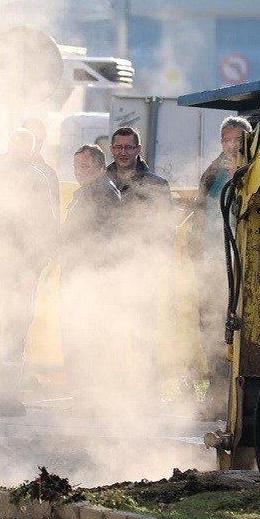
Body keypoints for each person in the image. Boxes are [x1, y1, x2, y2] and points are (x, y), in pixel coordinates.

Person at [0, 128, 57, 415]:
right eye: (16, 144)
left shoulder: (38, 179)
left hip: (21, 269)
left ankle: (6, 395)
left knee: (15, 332)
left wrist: (38, 261)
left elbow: (47, 224)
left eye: (26, 146)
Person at [105, 126, 172, 405]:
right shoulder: (100, 183)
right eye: (119, 147)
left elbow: (166, 230)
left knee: (143, 333)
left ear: (138, 149)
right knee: (110, 333)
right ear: (112, 149)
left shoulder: (156, 185)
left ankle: (146, 395)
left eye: (129, 147)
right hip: (107, 271)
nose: (123, 153)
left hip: (143, 270)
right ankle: (113, 393)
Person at [191, 116, 251, 419]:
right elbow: (200, 216)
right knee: (211, 331)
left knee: (237, 332)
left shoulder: (255, 172)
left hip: (242, 265)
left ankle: (236, 400)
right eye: (227, 140)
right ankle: (214, 398)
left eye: (237, 140)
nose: (231, 146)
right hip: (211, 262)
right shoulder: (212, 174)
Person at [58, 144, 121, 401]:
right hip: (77, 274)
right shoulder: (85, 193)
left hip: (92, 277)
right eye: (76, 166)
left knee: (89, 337)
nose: (79, 172)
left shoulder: (103, 192)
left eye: (84, 166)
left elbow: (105, 237)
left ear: (98, 166)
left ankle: (91, 395)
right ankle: (84, 394)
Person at [22, 117, 61, 218]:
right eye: (31, 139)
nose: (35, 145)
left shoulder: (49, 174)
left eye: (39, 140)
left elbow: (54, 215)